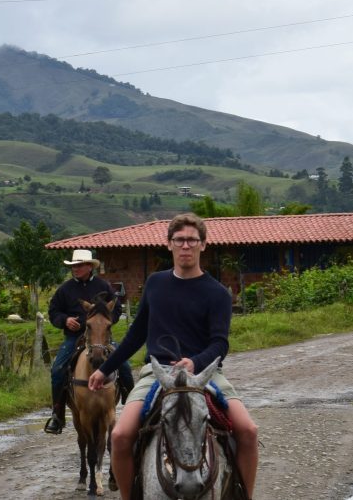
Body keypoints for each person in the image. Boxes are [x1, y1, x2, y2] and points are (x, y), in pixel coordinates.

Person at [88, 213, 259, 499]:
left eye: (192, 240)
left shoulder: (217, 293)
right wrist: (105, 369)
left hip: (204, 374)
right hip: (157, 373)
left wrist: (196, 362)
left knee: (248, 431)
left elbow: (220, 344)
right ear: (169, 244)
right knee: (119, 436)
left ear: (203, 245)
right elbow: (136, 334)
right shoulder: (155, 283)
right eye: (179, 240)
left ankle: (245, 495)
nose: (186, 246)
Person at [44, 249, 135, 435]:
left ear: (89, 267)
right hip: (75, 338)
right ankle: (57, 413)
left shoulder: (104, 286)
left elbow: (116, 309)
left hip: (101, 337)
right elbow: (53, 312)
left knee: (124, 365)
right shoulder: (65, 289)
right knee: (58, 369)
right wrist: (65, 321)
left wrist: (104, 322)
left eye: (78, 266)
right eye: (73, 266)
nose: (75, 269)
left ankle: (133, 406)